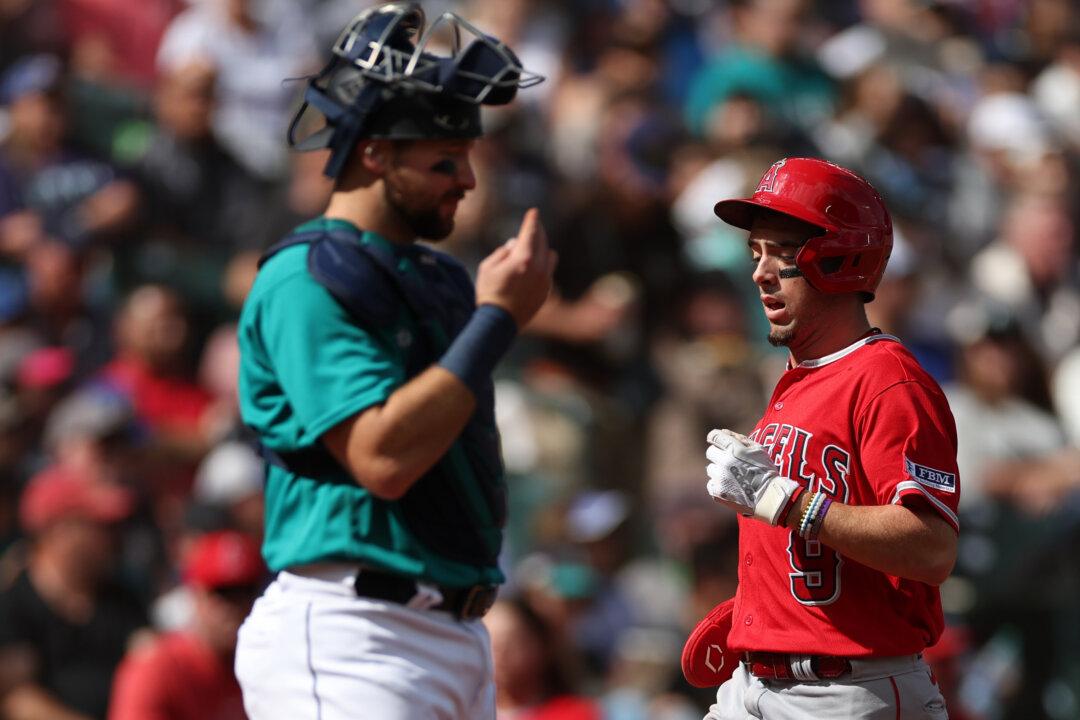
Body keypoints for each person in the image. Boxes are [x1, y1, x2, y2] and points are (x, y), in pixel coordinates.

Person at [232, 4, 554, 719]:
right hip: (353, 633)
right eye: (444, 159)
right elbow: (381, 457)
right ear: (374, 152)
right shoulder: (305, 278)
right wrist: (498, 317)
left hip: (456, 635)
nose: (467, 180)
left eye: (468, 157)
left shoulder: (435, 277)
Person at [700, 157, 959, 719]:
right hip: (755, 686)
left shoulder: (889, 381)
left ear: (839, 257)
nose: (760, 273)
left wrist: (787, 502)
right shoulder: (802, 376)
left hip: (848, 693)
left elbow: (932, 546)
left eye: (783, 254)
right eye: (756, 253)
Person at [0, 465, 147, 720]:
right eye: (100, 526)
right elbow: (18, 700)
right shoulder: (14, 606)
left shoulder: (122, 598)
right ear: (58, 530)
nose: (115, 536)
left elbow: (150, 660)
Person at [109, 529, 264, 720]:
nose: (235, 607)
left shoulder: (265, 663)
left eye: (246, 592)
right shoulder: (156, 668)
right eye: (223, 594)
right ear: (195, 595)